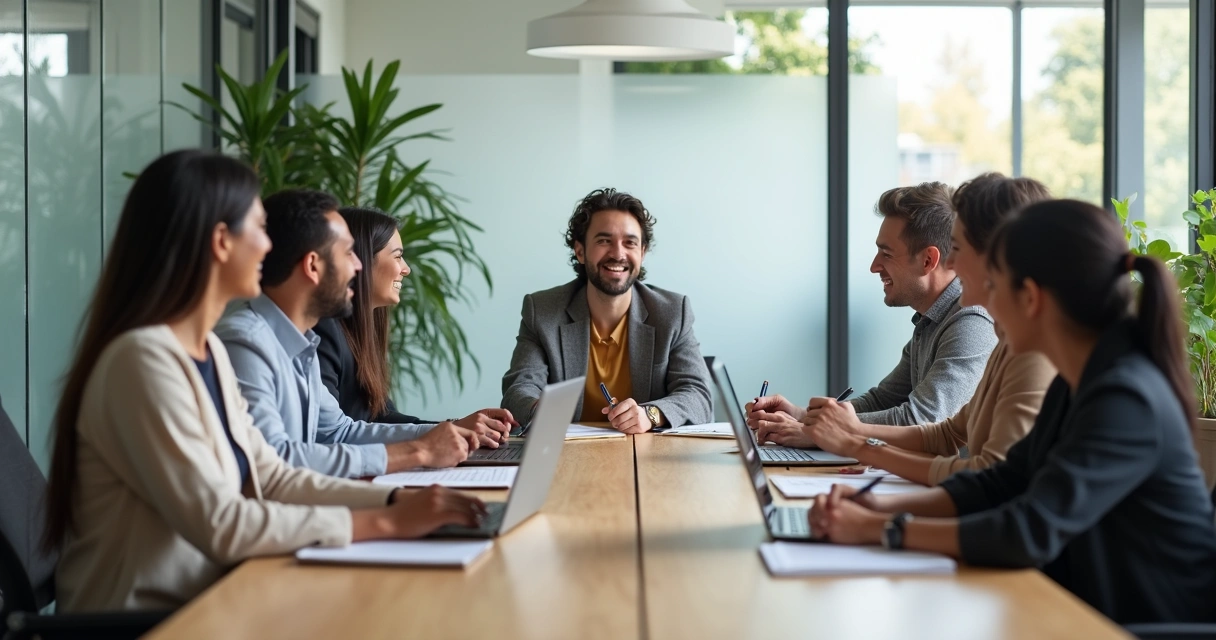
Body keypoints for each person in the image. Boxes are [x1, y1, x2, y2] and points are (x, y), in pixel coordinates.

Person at [43, 150, 486, 612]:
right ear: (220, 241)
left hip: (214, 598)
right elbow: (222, 523)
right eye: (258, 228)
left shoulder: (206, 351)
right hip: (157, 621)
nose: (269, 246)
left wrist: (395, 499)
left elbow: (268, 474)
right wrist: (387, 522)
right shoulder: (141, 363)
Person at [807, 199, 1216, 625]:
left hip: (1135, 626)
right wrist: (873, 508)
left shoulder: (1126, 396)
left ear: (1031, 298)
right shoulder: (1079, 382)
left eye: (995, 288)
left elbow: (1029, 529)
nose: (983, 307)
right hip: (1081, 611)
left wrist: (880, 530)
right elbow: (999, 484)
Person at [750, 174, 1056, 486]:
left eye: (958, 249)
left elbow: (947, 439)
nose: (952, 263)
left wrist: (839, 437)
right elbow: (932, 424)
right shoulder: (989, 335)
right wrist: (810, 420)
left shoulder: (981, 326)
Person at [215, 190, 513, 479]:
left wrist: (444, 434)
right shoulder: (247, 343)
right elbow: (274, 461)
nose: (358, 264)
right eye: (348, 253)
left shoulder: (300, 342)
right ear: (312, 266)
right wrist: (418, 452)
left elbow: (340, 431)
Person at [748, 182, 997, 427]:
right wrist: (800, 416)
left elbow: (920, 419)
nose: (874, 266)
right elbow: (882, 401)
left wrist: (816, 431)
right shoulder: (930, 320)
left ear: (928, 260)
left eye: (886, 254)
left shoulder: (970, 322)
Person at [501, 188, 711, 432]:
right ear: (580, 250)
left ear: (642, 252)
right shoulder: (542, 311)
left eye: (630, 243)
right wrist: (542, 413)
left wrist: (650, 414)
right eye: (604, 241)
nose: (618, 254)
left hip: (646, 456)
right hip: (567, 455)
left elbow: (698, 396)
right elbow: (519, 388)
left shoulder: (673, 312)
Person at [315, 207, 435, 424]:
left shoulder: (363, 328)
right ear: (360, 259)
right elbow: (330, 433)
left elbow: (382, 415)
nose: (406, 269)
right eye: (398, 256)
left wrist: (455, 429)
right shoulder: (324, 330)